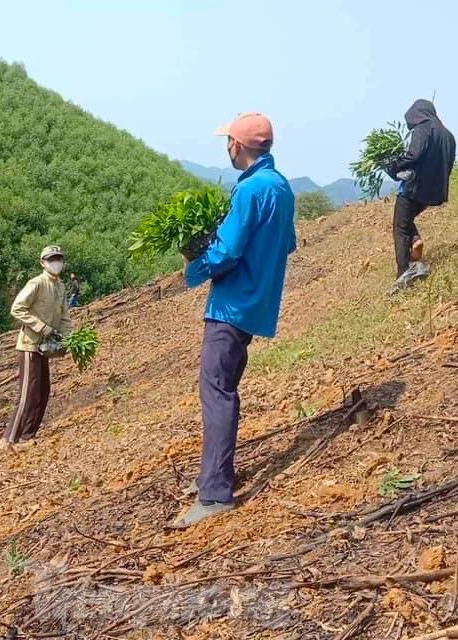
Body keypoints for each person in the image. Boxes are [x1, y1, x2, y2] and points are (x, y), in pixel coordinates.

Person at [170, 113, 296, 529]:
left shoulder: (248, 192)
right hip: (256, 304)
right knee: (223, 388)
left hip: (230, 307)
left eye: (228, 141)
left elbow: (225, 255)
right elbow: (287, 242)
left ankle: (215, 494)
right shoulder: (281, 188)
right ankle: (213, 473)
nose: (226, 147)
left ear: (238, 147)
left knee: (216, 391)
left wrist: (194, 263)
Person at [3, 245, 73, 447]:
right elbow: (17, 308)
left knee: (43, 391)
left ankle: (28, 436)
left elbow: (64, 317)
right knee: (28, 393)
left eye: (58, 259)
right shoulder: (36, 283)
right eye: (51, 259)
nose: (56, 263)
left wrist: (68, 338)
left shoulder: (60, 287)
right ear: (42, 262)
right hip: (30, 344)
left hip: (47, 347)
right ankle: (9, 439)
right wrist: (42, 327)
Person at [383, 99, 456, 292]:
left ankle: (402, 274)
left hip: (414, 188)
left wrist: (393, 165)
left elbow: (413, 155)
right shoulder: (448, 136)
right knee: (406, 221)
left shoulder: (424, 128)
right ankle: (415, 240)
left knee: (399, 227)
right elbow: (448, 165)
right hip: (434, 191)